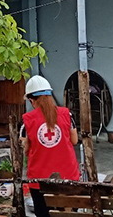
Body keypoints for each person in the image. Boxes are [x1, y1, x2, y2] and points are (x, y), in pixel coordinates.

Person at [20, 75, 80, 217]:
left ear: (32, 101)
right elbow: (75, 140)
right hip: (68, 177)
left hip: (40, 180)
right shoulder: (67, 115)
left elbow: (25, 149)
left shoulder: (26, 122)